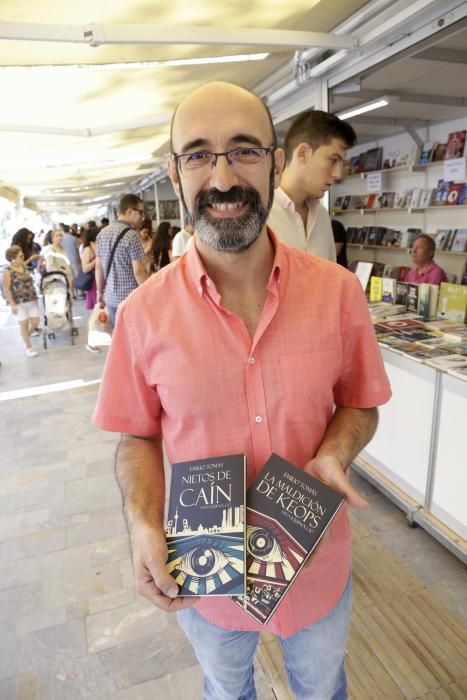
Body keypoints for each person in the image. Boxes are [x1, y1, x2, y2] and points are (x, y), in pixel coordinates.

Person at [93, 81, 391, 700]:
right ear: (174, 173)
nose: (222, 177)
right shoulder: (143, 315)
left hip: (316, 565)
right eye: (199, 154)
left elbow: (360, 402)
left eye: (245, 150)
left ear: (277, 162)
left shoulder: (337, 294)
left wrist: (334, 452)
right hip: (208, 571)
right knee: (227, 691)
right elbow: (137, 436)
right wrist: (144, 525)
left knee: (322, 688)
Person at [268, 110, 356, 262]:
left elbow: (329, 276)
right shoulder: (262, 214)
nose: (337, 173)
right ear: (303, 153)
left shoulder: (321, 215)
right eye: (333, 160)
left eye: (341, 163)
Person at [95, 194, 148, 327]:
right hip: (131, 299)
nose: (142, 217)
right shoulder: (131, 236)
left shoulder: (102, 233)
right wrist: (149, 294)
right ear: (129, 211)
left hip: (111, 298)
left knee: (120, 340)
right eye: (140, 212)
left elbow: (98, 267)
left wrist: (99, 292)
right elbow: (138, 271)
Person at [3, 245, 40, 357]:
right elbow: (6, 288)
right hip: (19, 302)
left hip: (30, 299)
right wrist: (12, 304)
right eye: (20, 256)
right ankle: (28, 346)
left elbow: (30, 283)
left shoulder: (23, 266)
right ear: (13, 258)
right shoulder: (8, 271)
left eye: (22, 255)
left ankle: (25, 336)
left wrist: (36, 297)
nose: (23, 257)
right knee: (23, 324)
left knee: (35, 321)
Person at [80, 227, 101, 353]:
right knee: (94, 315)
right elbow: (85, 268)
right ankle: (90, 342)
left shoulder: (98, 247)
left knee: (99, 314)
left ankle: (95, 340)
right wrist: (96, 260)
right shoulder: (88, 249)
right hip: (93, 284)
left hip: (99, 282)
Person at [60, 223, 82, 298]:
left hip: (66, 261)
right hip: (75, 259)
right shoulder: (73, 238)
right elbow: (78, 248)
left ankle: (73, 294)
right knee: (78, 276)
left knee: (70, 278)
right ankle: (81, 292)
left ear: (62, 231)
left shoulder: (61, 239)